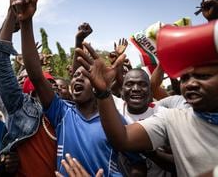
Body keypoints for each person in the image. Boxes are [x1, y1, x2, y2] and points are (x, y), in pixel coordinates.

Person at [10, 0, 145, 176]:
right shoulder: (62, 112)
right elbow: (36, 76)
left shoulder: (113, 121)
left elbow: (139, 166)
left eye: (86, 75)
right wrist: (26, 22)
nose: (77, 79)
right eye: (75, 76)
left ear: (99, 83)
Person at [76, 41, 218, 176]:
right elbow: (122, 139)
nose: (191, 84)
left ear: (150, 91)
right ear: (122, 90)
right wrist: (102, 92)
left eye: (203, 76)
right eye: (185, 78)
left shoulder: (164, 109)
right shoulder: (171, 118)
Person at [0, 0, 57, 176]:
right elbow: (0, 61)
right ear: (32, 91)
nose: (53, 88)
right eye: (44, 84)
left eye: (55, 84)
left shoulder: (70, 116)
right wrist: (12, 15)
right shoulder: (21, 108)